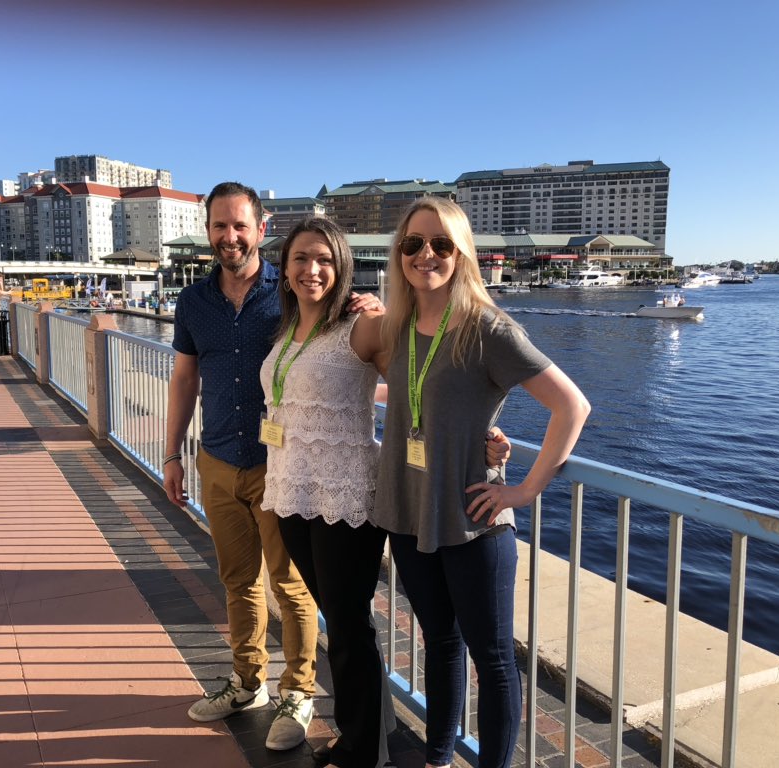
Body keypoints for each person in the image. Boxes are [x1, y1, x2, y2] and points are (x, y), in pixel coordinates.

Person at [259, 217, 510, 768]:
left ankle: (361, 750)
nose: (312, 269)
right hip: (293, 491)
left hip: (347, 494)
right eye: (301, 258)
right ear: (284, 268)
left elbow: (430, 376)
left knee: (348, 625)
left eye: (324, 259)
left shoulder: (366, 325)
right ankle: (368, 726)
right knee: (337, 620)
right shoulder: (286, 332)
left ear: (342, 267)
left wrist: (480, 435)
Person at [370, 197, 590, 768]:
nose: (426, 255)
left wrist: (522, 490)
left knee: (492, 660)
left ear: (462, 254)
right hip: (411, 513)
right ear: (399, 254)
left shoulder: (488, 328)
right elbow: (414, 395)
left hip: (473, 522)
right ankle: (438, 758)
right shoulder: (396, 326)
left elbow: (572, 406)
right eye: (413, 243)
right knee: (439, 644)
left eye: (442, 244)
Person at [163, 182, 379, 751]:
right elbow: (185, 378)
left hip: (280, 467)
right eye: (218, 226)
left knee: (292, 584)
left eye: (240, 226)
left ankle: (299, 691)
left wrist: (371, 308)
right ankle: (247, 682)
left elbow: (347, 349)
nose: (229, 236)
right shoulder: (194, 302)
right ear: (207, 231)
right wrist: (172, 455)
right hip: (216, 458)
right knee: (237, 582)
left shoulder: (289, 295)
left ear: (262, 231)